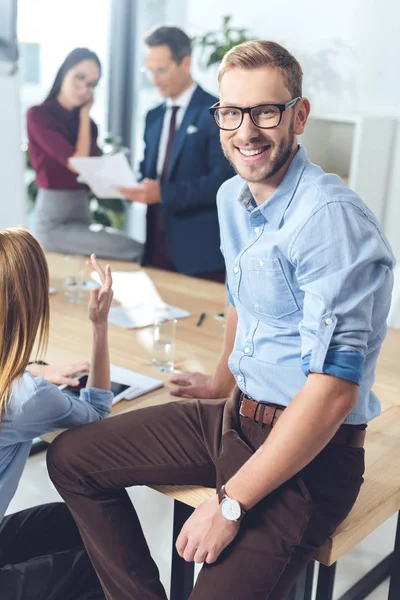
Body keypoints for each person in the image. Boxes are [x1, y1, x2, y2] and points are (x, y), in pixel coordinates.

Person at [47, 40, 395, 600]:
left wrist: (230, 502)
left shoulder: (330, 220)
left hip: (309, 454)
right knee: (72, 458)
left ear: (298, 115)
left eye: (266, 111)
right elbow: (242, 292)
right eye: (232, 113)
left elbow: (331, 394)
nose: (247, 130)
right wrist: (221, 379)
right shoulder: (234, 195)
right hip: (235, 419)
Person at [0, 228, 114, 600]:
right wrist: (99, 326)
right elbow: (98, 415)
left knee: (70, 521)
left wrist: (33, 370)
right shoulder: (27, 399)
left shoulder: (18, 388)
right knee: (105, 565)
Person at [118, 26, 234, 281]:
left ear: (185, 63)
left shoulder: (216, 113)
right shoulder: (153, 117)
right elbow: (148, 172)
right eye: (149, 70)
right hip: (156, 247)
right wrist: (130, 184)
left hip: (199, 254)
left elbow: (222, 182)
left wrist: (162, 192)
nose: (154, 78)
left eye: (161, 70)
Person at [27, 48, 142, 261]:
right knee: (135, 249)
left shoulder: (88, 125)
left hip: (82, 214)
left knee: (128, 250)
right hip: (54, 222)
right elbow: (78, 163)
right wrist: (86, 113)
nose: (83, 88)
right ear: (64, 72)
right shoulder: (39, 115)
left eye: (91, 84)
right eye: (79, 77)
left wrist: (84, 118)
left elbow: (89, 176)